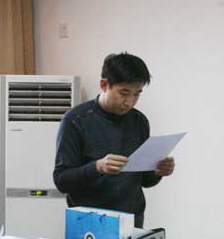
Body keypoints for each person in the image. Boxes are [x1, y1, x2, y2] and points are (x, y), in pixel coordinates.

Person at [53, 52, 175, 228]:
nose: (129, 102)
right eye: (124, 93)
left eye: (137, 94)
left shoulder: (139, 121)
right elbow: (61, 181)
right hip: (89, 222)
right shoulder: (75, 120)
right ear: (104, 85)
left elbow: (145, 181)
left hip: (132, 220)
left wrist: (158, 171)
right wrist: (97, 167)